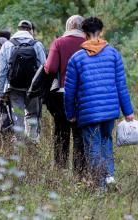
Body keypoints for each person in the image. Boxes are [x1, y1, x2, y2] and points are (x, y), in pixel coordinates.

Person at [64, 17, 135, 188]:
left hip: (88, 113)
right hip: (110, 111)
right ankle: (109, 177)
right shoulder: (113, 54)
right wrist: (128, 112)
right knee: (106, 141)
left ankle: (100, 185)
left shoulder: (76, 58)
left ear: (84, 34)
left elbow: (69, 91)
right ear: (101, 31)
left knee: (93, 147)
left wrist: (70, 113)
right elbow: (121, 86)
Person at [44, 15, 86, 173]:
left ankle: (60, 168)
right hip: (83, 94)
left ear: (68, 26)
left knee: (61, 131)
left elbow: (51, 68)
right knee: (79, 133)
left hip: (61, 93)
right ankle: (79, 171)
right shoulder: (88, 44)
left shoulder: (59, 42)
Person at [0, 20, 46, 143]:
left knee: (18, 116)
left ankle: (20, 144)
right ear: (30, 30)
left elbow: (1, 71)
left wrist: (0, 93)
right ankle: (33, 141)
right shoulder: (37, 45)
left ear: (18, 29)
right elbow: (44, 68)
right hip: (32, 89)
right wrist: (43, 90)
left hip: (14, 88)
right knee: (32, 115)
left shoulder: (7, 45)